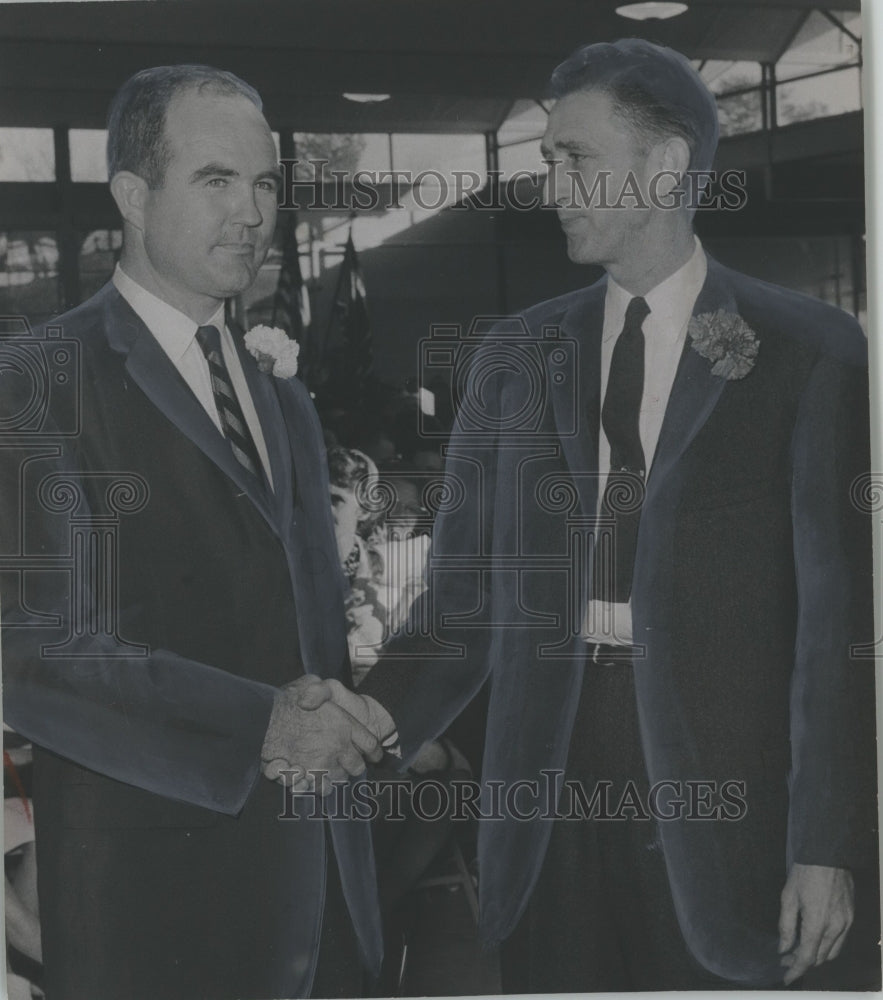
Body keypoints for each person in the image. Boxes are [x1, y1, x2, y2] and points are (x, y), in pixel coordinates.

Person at [303, 38, 878, 990]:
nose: (552, 185)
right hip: (544, 805)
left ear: (663, 167)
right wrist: (368, 716)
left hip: (734, 815)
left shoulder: (808, 349)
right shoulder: (512, 356)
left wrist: (831, 845)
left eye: (577, 159)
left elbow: (839, 629)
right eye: (546, 161)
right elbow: (461, 602)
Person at [0, 65, 385, 1000]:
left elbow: (303, 627)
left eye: (263, 184)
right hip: (154, 899)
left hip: (322, 879)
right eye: (217, 180)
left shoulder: (280, 392)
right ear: (132, 195)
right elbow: (34, 648)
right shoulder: (40, 379)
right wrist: (265, 723)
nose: (252, 213)